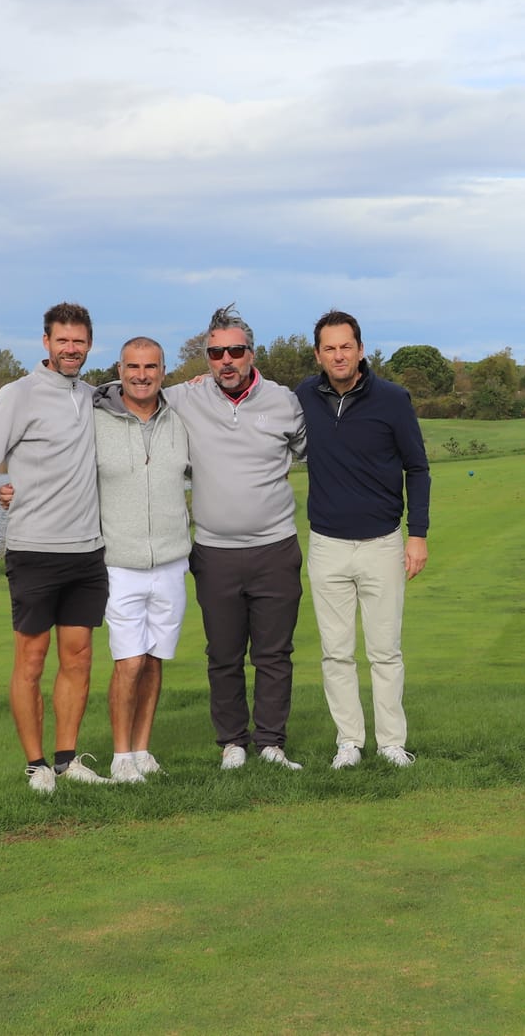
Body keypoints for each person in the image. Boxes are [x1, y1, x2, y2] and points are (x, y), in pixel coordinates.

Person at [7, 337, 191, 782]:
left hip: (171, 560)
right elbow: (53, 462)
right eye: (133, 367)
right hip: (117, 560)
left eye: (151, 367)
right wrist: (18, 489)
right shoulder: (93, 415)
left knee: (153, 660)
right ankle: (121, 757)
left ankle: (142, 750)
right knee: (129, 661)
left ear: (163, 371)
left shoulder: (181, 416)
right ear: (119, 370)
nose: (142, 375)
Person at [0, 302, 110, 795]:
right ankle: (35, 765)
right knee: (31, 660)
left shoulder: (94, 397)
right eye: (62, 340)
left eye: (78, 341)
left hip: (88, 551)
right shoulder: (18, 394)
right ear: (46, 342)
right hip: (35, 551)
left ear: (89, 344)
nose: (71, 349)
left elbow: (145, 391)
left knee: (78, 658)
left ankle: (66, 760)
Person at [167, 303, 309, 770]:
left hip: (275, 549)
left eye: (234, 351)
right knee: (223, 655)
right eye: (215, 353)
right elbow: (125, 394)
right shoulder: (185, 398)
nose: (225, 360)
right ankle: (232, 742)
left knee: (274, 654)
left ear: (252, 353)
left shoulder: (284, 401)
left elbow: (318, 450)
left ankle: (270, 743)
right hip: (215, 553)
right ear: (206, 358)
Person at [295, 311, 430, 769]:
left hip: (382, 543)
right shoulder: (302, 397)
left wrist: (418, 534)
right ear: (318, 355)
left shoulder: (392, 399)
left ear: (360, 349)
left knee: (385, 652)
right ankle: (349, 742)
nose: (339, 355)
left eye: (346, 346)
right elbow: (252, 395)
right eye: (329, 348)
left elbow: (417, 468)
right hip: (326, 545)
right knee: (336, 653)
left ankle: (391, 743)